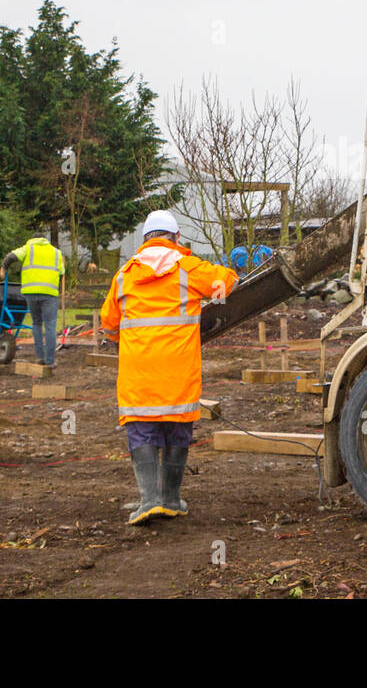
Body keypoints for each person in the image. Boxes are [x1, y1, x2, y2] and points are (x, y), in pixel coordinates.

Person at [101, 210, 238, 525]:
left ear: (145, 239)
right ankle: (172, 500)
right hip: (177, 371)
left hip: (138, 373)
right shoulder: (187, 268)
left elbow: (109, 324)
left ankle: (149, 501)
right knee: (177, 428)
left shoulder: (124, 275)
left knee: (142, 429)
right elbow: (226, 284)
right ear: (176, 238)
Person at [0, 234, 65, 367]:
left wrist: (3, 268)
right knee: (50, 326)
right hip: (49, 293)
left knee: (36, 323)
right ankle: (50, 361)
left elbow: (11, 256)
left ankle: (40, 357)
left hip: (30, 292)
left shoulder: (28, 248)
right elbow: (62, 273)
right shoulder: (56, 252)